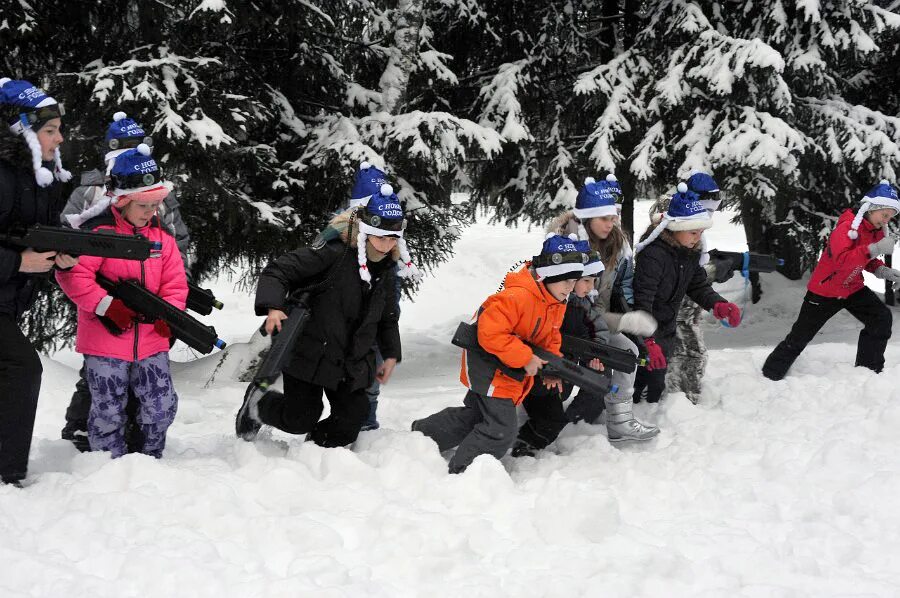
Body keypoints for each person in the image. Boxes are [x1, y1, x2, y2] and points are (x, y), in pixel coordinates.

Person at [235, 183, 416, 447]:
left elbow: (387, 318)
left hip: (350, 362)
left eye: (392, 239)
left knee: (351, 420)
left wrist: (390, 354)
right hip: (310, 353)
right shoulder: (333, 254)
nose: (386, 246)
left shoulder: (386, 271)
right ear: (365, 233)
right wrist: (273, 306)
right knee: (300, 418)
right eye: (380, 238)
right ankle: (259, 404)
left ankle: (315, 451)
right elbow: (279, 271)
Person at [59, 111, 193, 452]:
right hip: (105, 339)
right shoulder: (100, 233)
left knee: (161, 406)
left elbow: (176, 283)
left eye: (156, 204)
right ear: (121, 200)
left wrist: (170, 314)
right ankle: (106, 463)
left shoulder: (160, 239)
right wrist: (107, 305)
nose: (152, 211)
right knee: (105, 409)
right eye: (144, 204)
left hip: (151, 339)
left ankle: (150, 458)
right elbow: (75, 274)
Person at [411, 234, 585, 473]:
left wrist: (550, 367)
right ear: (547, 276)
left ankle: (421, 437)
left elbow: (551, 337)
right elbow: (489, 333)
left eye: (574, 280)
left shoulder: (555, 301)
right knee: (500, 429)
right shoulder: (519, 297)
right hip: (487, 363)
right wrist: (525, 357)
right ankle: (463, 472)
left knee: (475, 416)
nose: (570, 287)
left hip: (506, 363)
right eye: (564, 280)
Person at [0, 77, 76, 485]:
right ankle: (7, 474)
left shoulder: (39, 178)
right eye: (50, 130)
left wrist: (62, 254)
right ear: (24, 133)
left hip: (7, 300)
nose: (59, 139)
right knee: (22, 367)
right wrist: (17, 263)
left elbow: (40, 233)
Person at [545, 175, 659, 438]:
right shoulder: (565, 246)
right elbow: (574, 306)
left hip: (598, 322)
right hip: (567, 325)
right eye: (604, 218)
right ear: (587, 217)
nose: (611, 224)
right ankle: (552, 425)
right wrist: (620, 322)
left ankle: (618, 422)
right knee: (579, 374)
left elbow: (623, 286)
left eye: (614, 217)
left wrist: (631, 316)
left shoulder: (619, 246)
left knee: (626, 353)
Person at [763, 181, 899, 381]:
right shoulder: (847, 227)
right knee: (800, 336)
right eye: (884, 215)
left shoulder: (875, 231)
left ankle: (868, 372)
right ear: (871, 208)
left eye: (890, 217)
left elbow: (865, 259)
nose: (886, 221)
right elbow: (842, 260)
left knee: (881, 319)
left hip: (852, 287)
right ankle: (769, 375)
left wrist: (882, 269)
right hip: (825, 291)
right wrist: (875, 249)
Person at [631, 186, 741, 404]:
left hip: (665, 331)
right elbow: (643, 300)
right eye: (693, 232)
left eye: (701, 232)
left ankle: (648, 414)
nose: (698, 237)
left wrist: (718, 305)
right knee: (638, 381)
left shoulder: (689, 252)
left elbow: (698, 286)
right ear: (675, 228)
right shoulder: (654, 255)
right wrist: (648, 342)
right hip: (645, 333)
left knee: (655, 383)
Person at [510, 249, 608, 457]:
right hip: (533, 372)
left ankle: (562, 427)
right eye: (586, 281)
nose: (591, 289)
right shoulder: (542, 302)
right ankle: (522, 442)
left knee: (554, 418)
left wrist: (594, 357)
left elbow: (595, 333)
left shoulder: (580, 306)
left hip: (560, 371)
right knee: (546, 419)